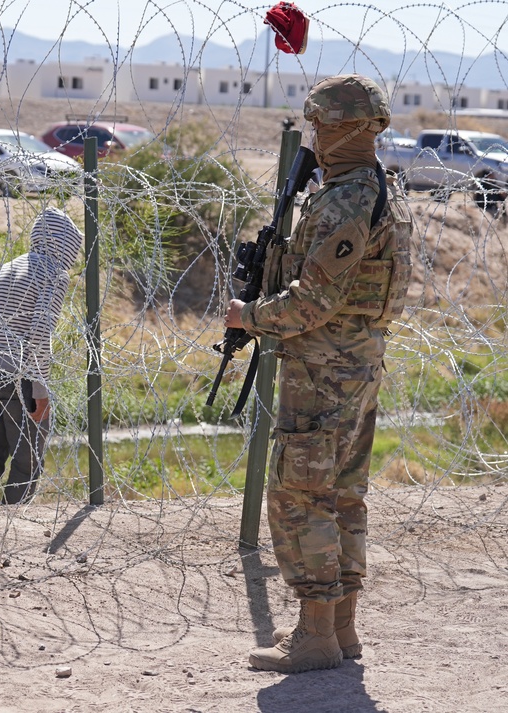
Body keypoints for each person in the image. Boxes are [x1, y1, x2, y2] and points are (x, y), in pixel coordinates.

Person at [224, 74, 413, 673]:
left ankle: (315, 636)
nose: (316, 135)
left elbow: (313, 303)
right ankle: (341, 630)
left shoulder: (348, 199)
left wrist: (250, 315)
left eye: (323, 125)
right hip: (355, 364)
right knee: (343, 495)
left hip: (326, 371)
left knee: (300, 495)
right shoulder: (376, 190)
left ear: (355, 129)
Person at [0, 208, 83, 505]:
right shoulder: (54, 273)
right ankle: (13, 519)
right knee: (28, 458)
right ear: (66, 244)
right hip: (19, 379)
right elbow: (39, 334)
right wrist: (40, 390)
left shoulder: (10, 266)